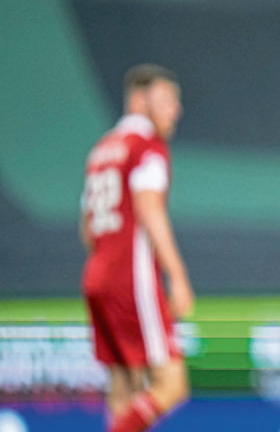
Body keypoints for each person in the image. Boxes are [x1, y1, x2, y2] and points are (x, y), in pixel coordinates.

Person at [80, 64, 194, 432]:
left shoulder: (102, 149)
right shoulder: (146, 147)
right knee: (171, 384)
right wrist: (177, 276)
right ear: (138, 100)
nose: (174, 110)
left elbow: (86, 228)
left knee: (124, 388)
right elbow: (149, 210)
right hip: (131, 277)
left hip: (97, 274)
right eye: (166, 100)